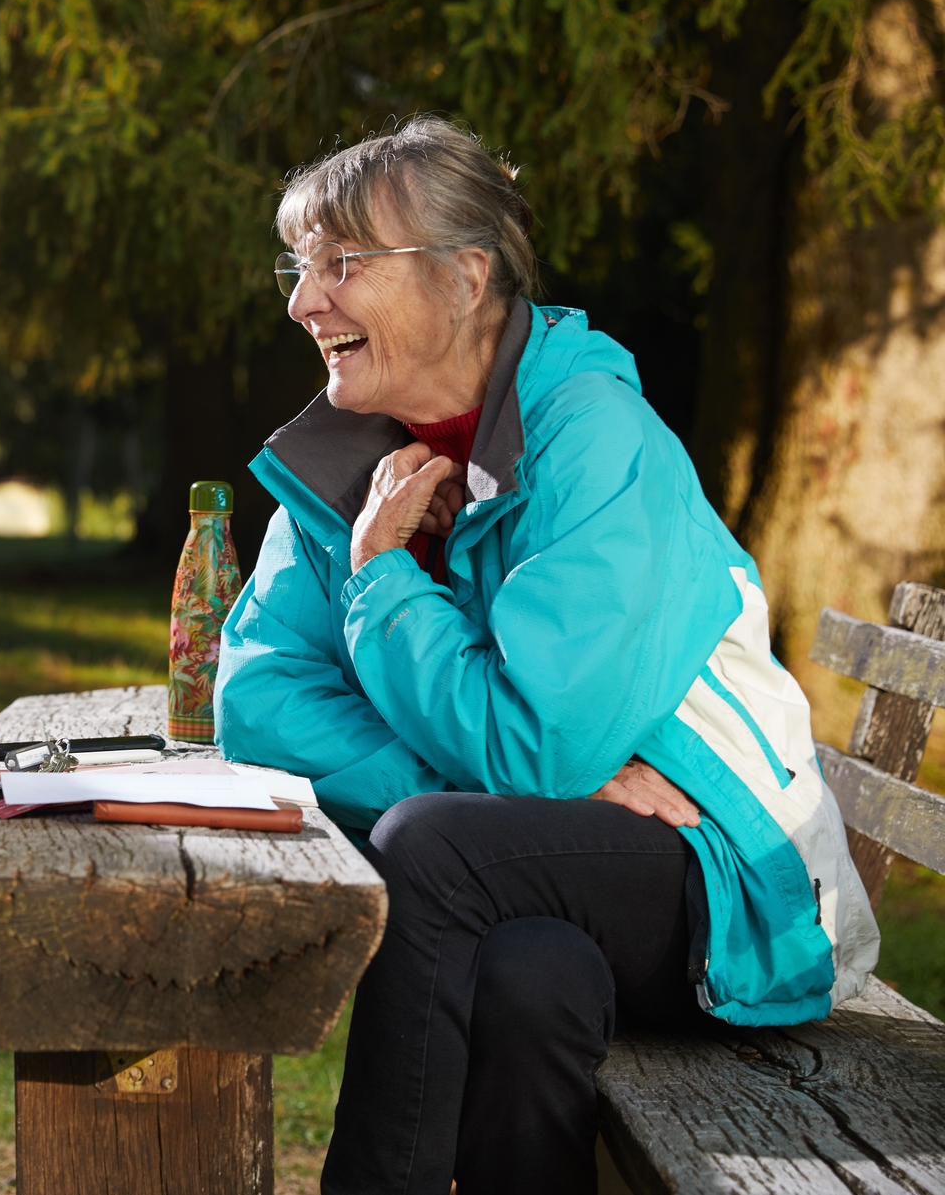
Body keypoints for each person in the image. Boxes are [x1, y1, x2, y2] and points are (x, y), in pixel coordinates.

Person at [214, 116, 879, 1195]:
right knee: (531, 973)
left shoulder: (593, 436)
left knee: (431, 846)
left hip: (723, 869)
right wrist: (498, 805)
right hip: (551, 873)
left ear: (465, 276)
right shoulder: (351, 458)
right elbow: (259, 702)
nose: (303, 302)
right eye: (298, 267)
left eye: (343, 265)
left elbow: (534, 748)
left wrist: (387, 584)